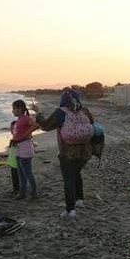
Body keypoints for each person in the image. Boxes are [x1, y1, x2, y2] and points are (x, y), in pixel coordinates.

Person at [36, 87, 94, 217]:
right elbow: (91, 124)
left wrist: (38, 115)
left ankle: (70, 210)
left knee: (68, 180)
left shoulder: (60, 112)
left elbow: (45, 126)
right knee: (77, 174)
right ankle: (79, 200)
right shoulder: (85, 111)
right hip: (85, 152)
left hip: (68, 153)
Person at [10, 99, 38, 200]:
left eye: (14, 109)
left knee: (27, 173)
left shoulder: (25, 118)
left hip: (25, 149)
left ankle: (34, 193)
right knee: (21, 174)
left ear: (20, 109)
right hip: (19, 149)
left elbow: (35, 125)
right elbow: (17, 134)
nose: (12, 111)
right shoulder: (19, 120)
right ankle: (22, 193)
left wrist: (27, 134)